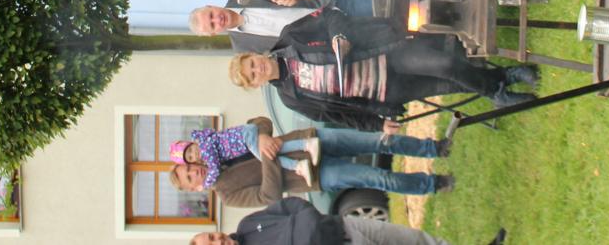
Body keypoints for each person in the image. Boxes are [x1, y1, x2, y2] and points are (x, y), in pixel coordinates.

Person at [230, 8, 543, 129]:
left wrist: (339, 36)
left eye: (253, 64)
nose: (258, 70)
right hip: (385, 92)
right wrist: (376, 125)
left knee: (446, 64)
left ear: (256, 55)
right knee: (448, 84)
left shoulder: (291, 37)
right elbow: (337, 116)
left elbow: (329, 16)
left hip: (386, 53)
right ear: (256, 84)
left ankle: (499, 90)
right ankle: (503, 79)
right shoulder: (291, 98)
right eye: (253, 76)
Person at [174, 121, 455, 201]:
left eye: (190, 168)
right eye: (190, 177)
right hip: (311, 176)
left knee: (378, 141)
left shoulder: (216, 146)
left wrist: (260, 136)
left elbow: (259, 122)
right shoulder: (226, 194)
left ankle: (434, 148)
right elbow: (269, 196)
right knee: (378, 178)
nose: (194, 170)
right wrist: (267, 154)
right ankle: (433, 184)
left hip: (310, 140)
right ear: (194, 188)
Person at [190, 0, 374, 53]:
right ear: (213, 34)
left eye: (211, 15)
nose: (217, 19)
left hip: (333, 3)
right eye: (212, 25)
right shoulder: (243, 49)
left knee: (389, 4)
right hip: (335, 39)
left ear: (211, 6)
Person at [188, 197, 508, 245]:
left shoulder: (247, 225)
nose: (219, 241)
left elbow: (289, 204)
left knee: (416, 240)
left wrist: (310, 217)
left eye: (212, 237)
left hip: (345, 225)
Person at [171, 121, 321, 189]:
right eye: (190, 158)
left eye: (190, 150)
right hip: (245, 137)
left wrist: (205, 184)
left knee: (266, 156)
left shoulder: (205, 147)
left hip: (245, 137)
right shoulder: (205, 148)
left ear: (191, 143)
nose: (194, 154)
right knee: (271, 151)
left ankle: (299, 163)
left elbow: (215, 169)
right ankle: (305, 147)